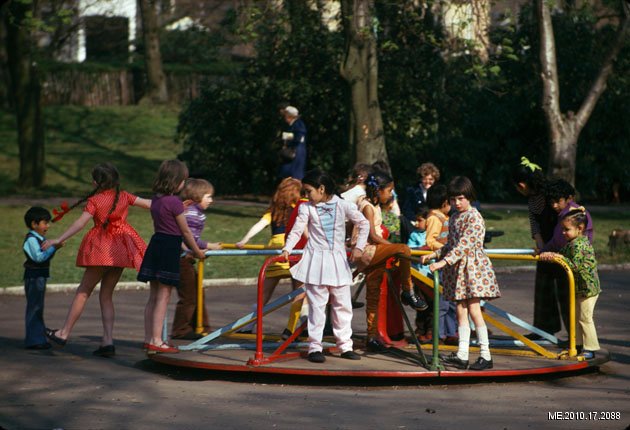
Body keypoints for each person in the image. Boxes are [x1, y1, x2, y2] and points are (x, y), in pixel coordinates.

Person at [42, 162, 150, 357]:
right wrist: (176, 204)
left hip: (102, 248)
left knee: (84, 291)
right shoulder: (125, 196)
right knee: (106, 295)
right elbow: (150, 204)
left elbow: (81, 223)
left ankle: (63, 333)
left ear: (95, 182)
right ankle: (107, 341)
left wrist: (58, 239)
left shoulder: (95, 200)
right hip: (121, 249)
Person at [281, 170, 368, 363]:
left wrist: (359, 247)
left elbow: (364, 224)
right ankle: (314, 347)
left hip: (337, 261)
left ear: (322, 189)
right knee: (317, 306)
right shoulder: (306, 208)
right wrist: (287, 248)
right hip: (317, 261)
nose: (306, 195)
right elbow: (297, 229)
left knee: (342, 304)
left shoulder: (343, 205)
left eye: (308, 191)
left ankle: (345, 346)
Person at [421, 176, 500, 371]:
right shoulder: (455, 216)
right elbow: (451, 244)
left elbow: (464, 246)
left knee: (474, 310)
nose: (457, 203)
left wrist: (442, 262)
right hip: (458, 269)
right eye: (454, 200)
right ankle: (462, 354)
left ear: (469, 197)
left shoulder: (474, 217)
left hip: (472, 268)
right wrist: (436, 253)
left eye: (461, 199)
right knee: (460, 310)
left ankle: (485, 355)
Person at [355, 171, 428, 352]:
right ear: (378, 190)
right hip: (369, 251)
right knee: (403, 249)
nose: (391, 194)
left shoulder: (373, 204)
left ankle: (371, 337)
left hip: (372, 252)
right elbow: (372, 234)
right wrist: (391, 246)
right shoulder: (367, 207)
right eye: (389, 190)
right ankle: (408, 290)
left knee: (373, 294)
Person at [138, 160, 206, 354]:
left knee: (153, 296)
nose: (184, 184)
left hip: (156, 243)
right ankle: (158, 340)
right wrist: (197, 251)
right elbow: (184, 231)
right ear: (176, 181)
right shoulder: (174, 202)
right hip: (169, 247)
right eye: (183, 180)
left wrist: (179, 209)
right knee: (164, 296)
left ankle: (148, 338)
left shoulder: (157, 199)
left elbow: (168, 217)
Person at [236, 177, 304, 332]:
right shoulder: (300, 209)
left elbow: (260, 224)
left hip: (276, 252)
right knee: (299, 292)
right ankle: (293, 328)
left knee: (264, 294)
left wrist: (244, 240)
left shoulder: (273, 211)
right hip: (293, 250)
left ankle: (249, 325)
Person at [539, 207, 600, 359]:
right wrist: (549, 254)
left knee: (585, 318)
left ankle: (590, 348)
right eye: (562, 229)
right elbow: (561, 254)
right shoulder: (573, 242)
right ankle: (577, 344)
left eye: (566, 229)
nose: (563, 233)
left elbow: (574, 266)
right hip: (579, 288)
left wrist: (556, 258)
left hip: (588, 289)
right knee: (576, 317)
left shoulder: (580, 245)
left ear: (580, 228)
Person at [537, 178, 594, 335]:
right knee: (569, 306)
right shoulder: (563, 215)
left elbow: (573, 246)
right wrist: (543, 251)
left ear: (569, 198)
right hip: (566, 266)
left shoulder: (574, 216)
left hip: (577, 271)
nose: (554, 205)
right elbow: (556, 240)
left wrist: (553, 254)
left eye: (558, 201)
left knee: (580, 313)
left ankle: (581, 344)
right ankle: (574, 341)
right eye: (551, 202)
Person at [512, 157, 559, 339]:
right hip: (546, 245)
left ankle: (575, 337)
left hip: (560, 243)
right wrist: (541, 245)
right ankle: (543, 329)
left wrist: (553, 247)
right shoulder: (532, 199)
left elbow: (561, 222)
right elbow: (535, 224)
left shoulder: (550, 195)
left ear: (522, 185)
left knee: (563, 290)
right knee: (543, 288)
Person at [171, 179, 222, 340]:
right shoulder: (192, 212)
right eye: (208, 196)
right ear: (198, 195)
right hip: (181, 258)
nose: (211, 200)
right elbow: (189, 238)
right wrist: (209, 245)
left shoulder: (194, 212)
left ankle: (201, 326)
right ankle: (181, 329)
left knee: (197, 292)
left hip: (186, 257)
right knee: (189, 295)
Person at [422, 184, 459, 345]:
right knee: (442, 303)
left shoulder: (445, 218)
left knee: (451, 301)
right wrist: (447, 249)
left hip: (449, 263)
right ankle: (439, 334)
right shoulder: (434, 218)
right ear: (444, 202)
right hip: (441, 264)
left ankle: (451, 332)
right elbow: (430, 241)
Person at [22, 207, 62, 350]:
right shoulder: (31, 240)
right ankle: (34, 340)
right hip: (34, 277)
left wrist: (53, 247)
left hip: (40, 276)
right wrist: (54, 248)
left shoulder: (40, 239)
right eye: (45, 223)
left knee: (38, 306)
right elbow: (38, 257)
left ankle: (38, 336)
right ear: (34, 224)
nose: (48, 226)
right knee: (35, 307)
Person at [278, 106, 307, 180]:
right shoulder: (292, 125)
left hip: (296, 151)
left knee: (295, 173)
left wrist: (288, 143)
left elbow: (299, 137)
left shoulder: (298, 124)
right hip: (293, 150)